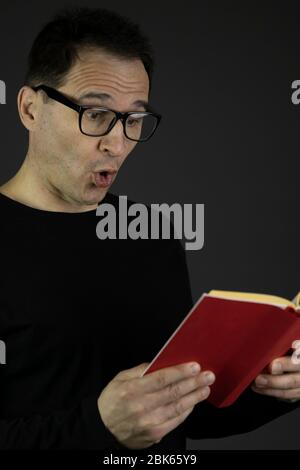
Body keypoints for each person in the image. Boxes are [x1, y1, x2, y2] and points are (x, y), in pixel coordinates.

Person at [0, 7, 299, 451]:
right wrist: (99, 429)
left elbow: (184, 415)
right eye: (96, 114)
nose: (117, 144)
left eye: (134, 120)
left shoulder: (151, 234)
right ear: (29, 107)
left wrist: (278, 390)